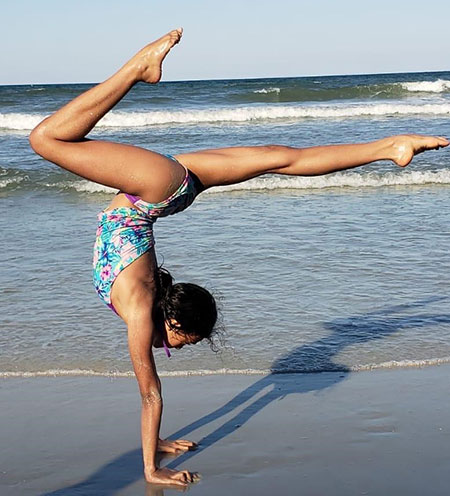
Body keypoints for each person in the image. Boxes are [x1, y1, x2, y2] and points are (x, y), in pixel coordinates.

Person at [29, 28, 449, 487]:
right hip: (156, 191)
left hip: (159, 190)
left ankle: (389, 147)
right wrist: (157, 456)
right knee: (278, 158)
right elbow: (150, 395)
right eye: (188, 342)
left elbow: (150, 395)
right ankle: (388, 147)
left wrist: (154, 460)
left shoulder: (139, 314)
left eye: (185, 342)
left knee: (278, 158)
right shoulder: (141, 305)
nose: (181, 347)